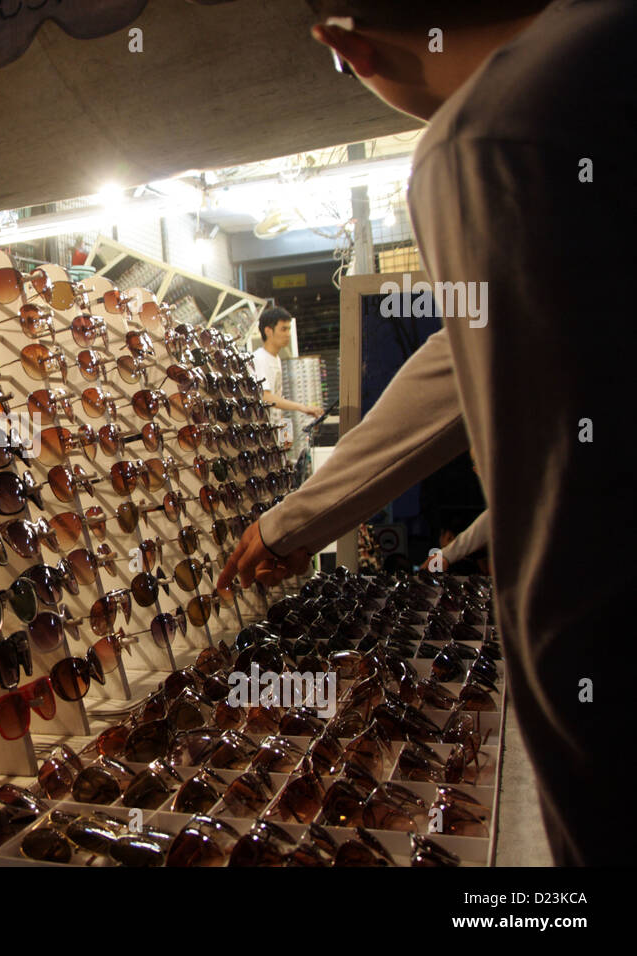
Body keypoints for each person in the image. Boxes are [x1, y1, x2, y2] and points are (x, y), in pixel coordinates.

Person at [217, 0, 634, 864]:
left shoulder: (491, 135)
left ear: (346, 43)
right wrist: (303, 517)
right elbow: (472, 348)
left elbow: (571, 511)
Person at [251, 306, 324, 448]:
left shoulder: (275, 359)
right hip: (262, 438)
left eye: (289, 329)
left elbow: (277, 400)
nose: (288, 334)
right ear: (268, 331)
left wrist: (286, 435)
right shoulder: (259, 358)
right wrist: (302, 407)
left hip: (273, 435)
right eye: (283, 329)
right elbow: (265, 397)